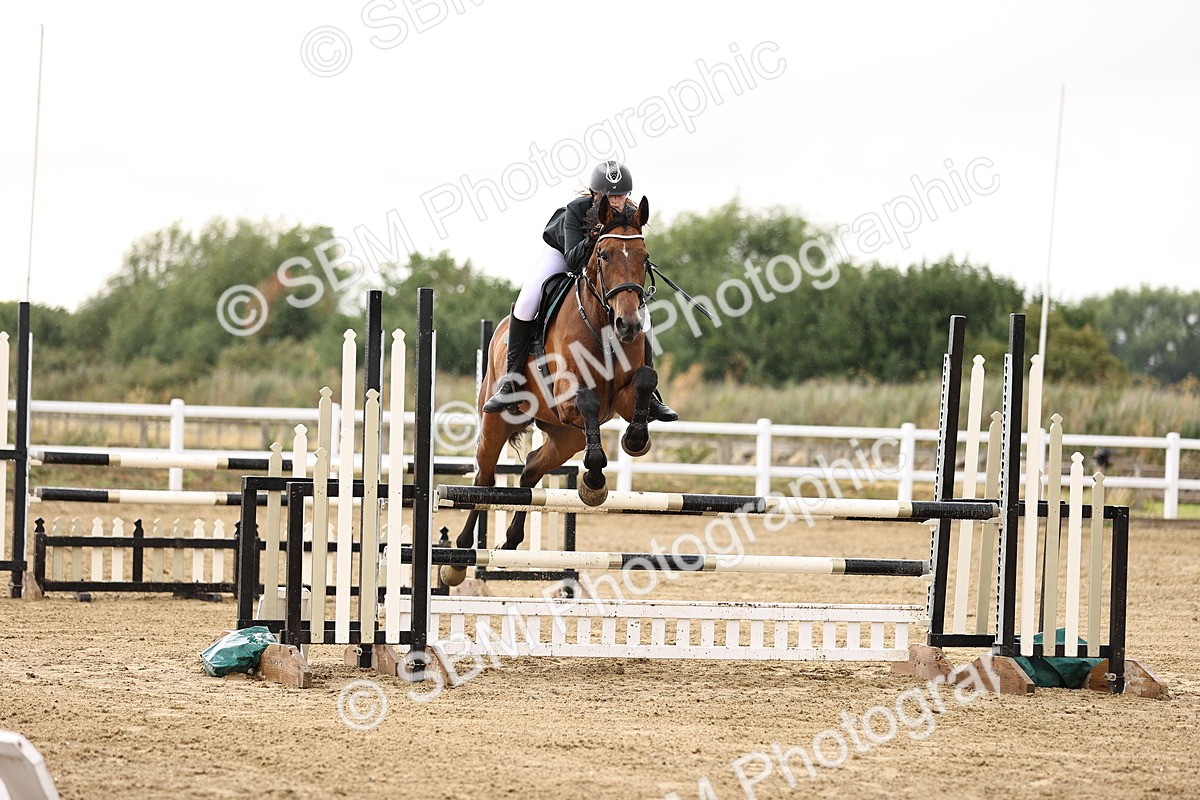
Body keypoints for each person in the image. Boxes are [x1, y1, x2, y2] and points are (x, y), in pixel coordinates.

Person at [482, 161, 678, 421]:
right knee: (528, 298)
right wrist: (593, 239)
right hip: (564, 253)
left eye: (621, 194)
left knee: (644, 316)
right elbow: (573, 261)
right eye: (610, 195)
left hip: (604, 263)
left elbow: (628, 252)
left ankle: (649, 394)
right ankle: (510, 380)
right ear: (596, 194)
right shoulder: (576, 210)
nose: (617, 200)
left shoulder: (632, 213)